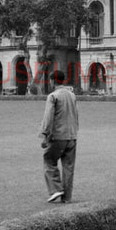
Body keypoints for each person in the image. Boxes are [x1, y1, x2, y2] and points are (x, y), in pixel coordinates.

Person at [39, 70, 79, 204]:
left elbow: (48, 117)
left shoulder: (53, 96)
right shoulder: (72, 95)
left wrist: (44, 135)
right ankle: (67, 197)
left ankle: (55, 188)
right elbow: (75, 115)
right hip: (72, 135)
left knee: (49, 160)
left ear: (52, 81)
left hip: (58, 136)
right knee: (69, 167)